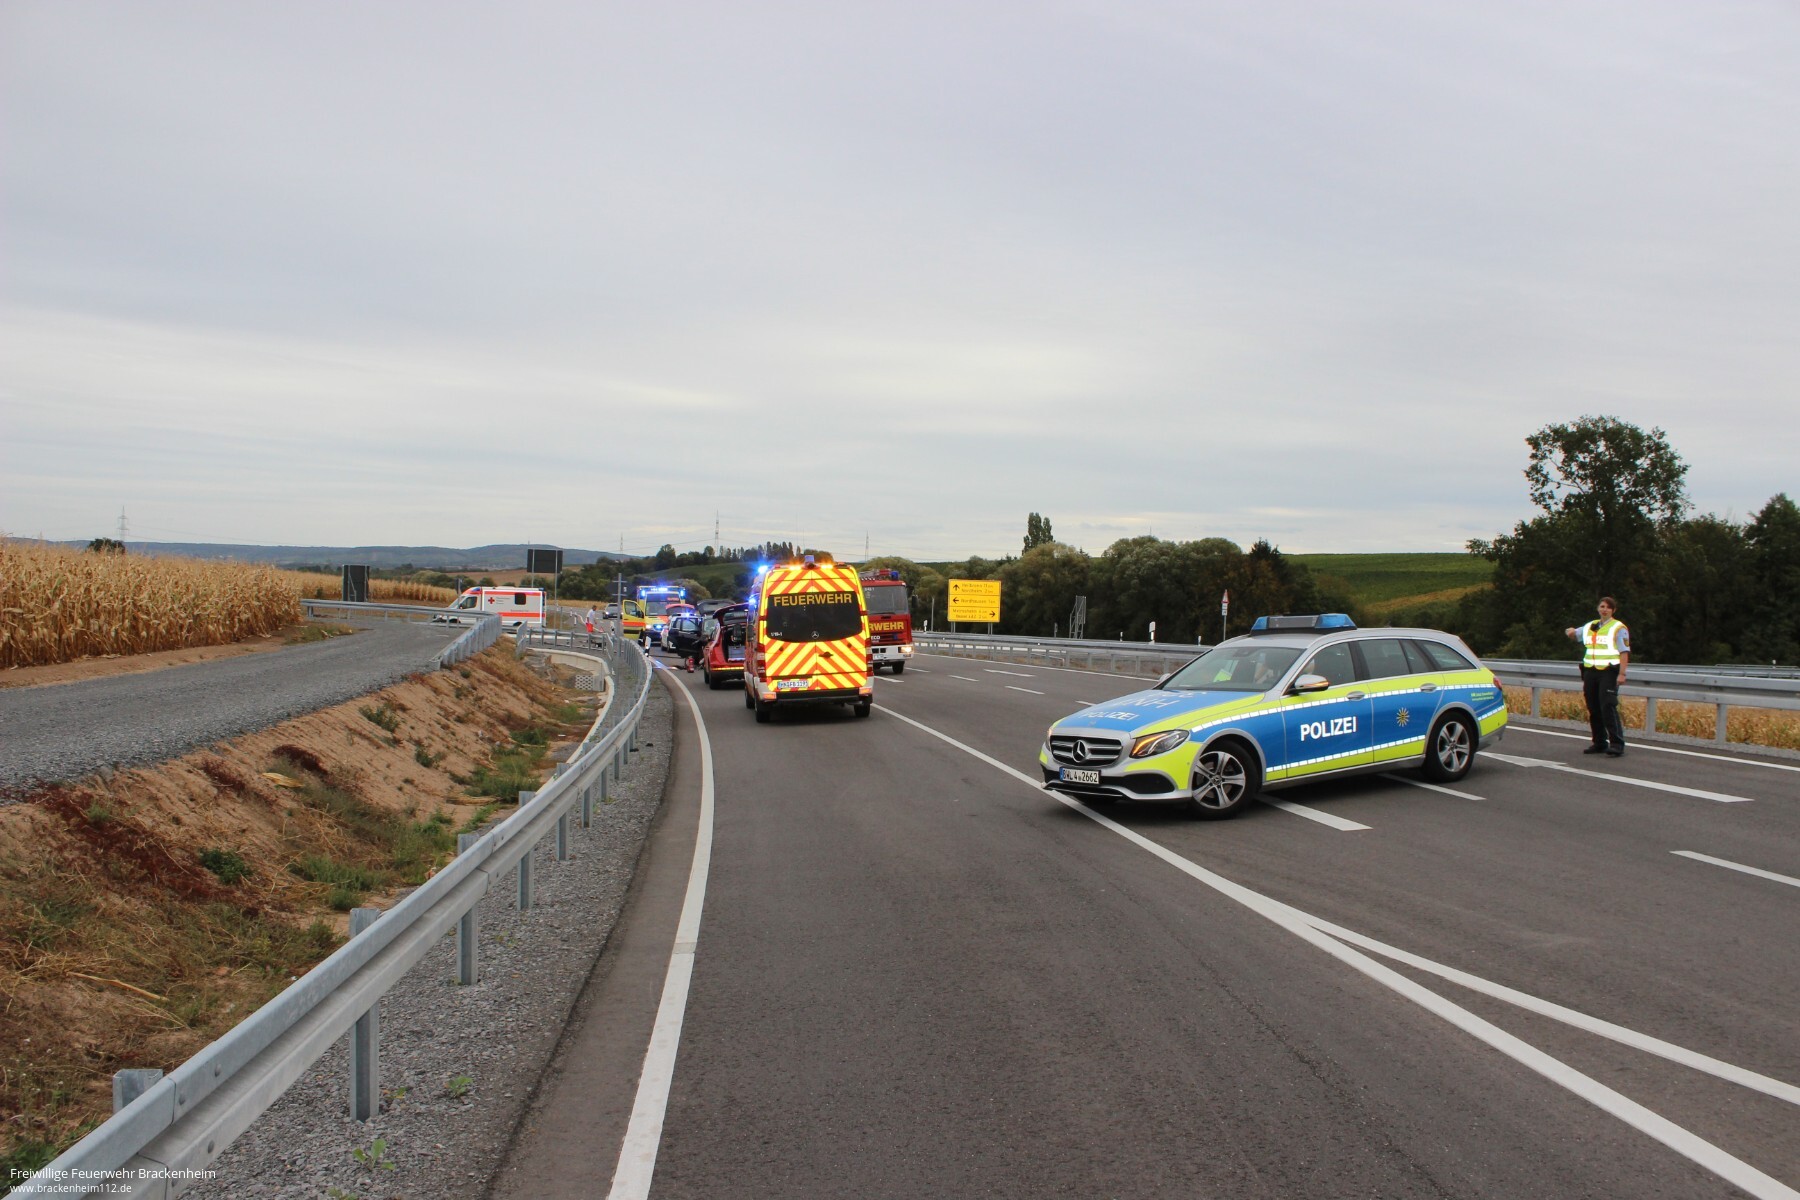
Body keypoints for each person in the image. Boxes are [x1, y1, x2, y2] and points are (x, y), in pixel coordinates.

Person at [1565, 596, 1630, 756]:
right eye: (1602, 606)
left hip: (1608, 671)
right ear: (1598, 608)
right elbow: (1575, 635)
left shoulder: (1618, 628)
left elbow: (1624, 652)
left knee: (1607, 705)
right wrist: (1570, 632)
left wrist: (1622, 673)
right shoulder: (1590, 626)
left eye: (1608, 607)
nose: (1604, 609)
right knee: (1593, 706)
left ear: (1613, 610)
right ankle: (1599, 742)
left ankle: (1617, 743)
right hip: (1590, 671)